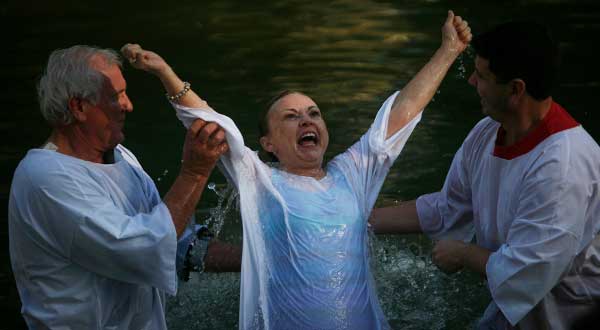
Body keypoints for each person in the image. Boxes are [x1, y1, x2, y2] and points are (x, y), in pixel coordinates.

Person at [122, 10, 471, 330]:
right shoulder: (261, 180)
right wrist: (164, 73)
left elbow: (402, 112)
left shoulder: (352, 175)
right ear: (269, 144)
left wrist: (448, 50)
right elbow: (213, 123)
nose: (307, 119)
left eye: (314, 113)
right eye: (292, 117)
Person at [370, 21, 600, 329]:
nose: (471, 81)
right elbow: (448, 208)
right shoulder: (488, 131)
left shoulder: (564, 165)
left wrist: (464, 254)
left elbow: (527, 272)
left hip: (573, 316)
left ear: (516, 89)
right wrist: (359, 219)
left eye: (482, 76)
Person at [8, 45, 235, 329]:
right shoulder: (46, 179)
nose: (129, 105)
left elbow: (177, 244)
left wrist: (258, 258)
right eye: (117, 96)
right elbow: (146, 249)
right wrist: (195, 173)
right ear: (79, 107)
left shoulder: (121, 156)